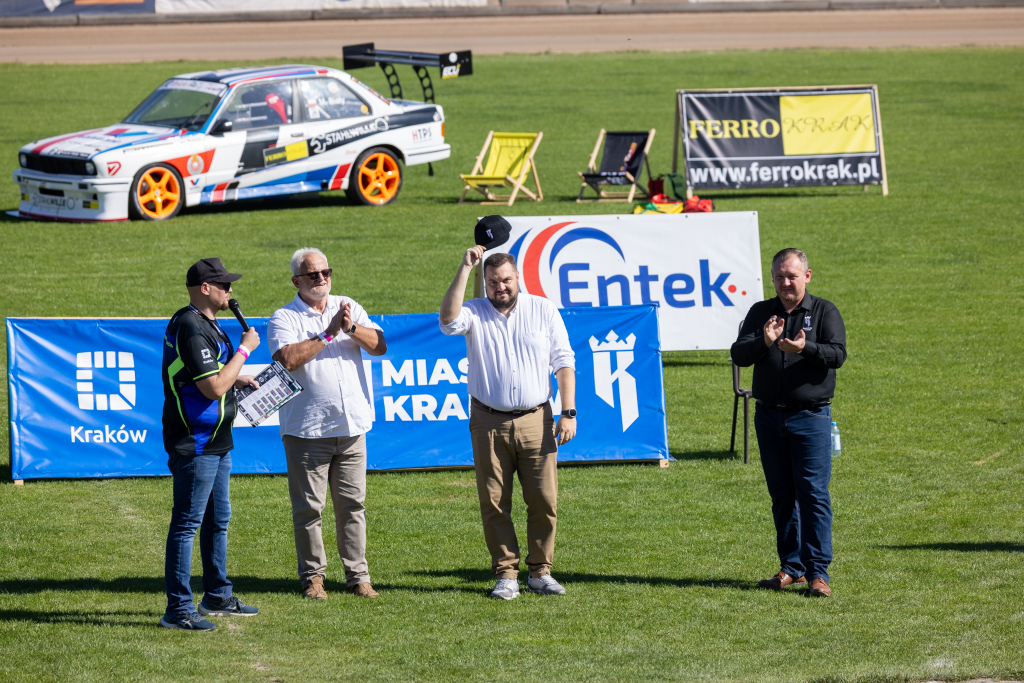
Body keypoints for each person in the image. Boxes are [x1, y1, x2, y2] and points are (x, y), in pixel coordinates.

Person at [439, 239, 577, 600]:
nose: (500, 288)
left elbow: (564, 360)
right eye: (492, 282)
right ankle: (506, 574)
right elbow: (447, 321)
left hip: (537, 418)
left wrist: (568, 411)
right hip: (488, 421)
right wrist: (465, 266)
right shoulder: (474, 311)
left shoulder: (543, 310)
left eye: (505, 280)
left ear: (518, 277)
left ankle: (540, 571)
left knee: (544, 500)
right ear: (484, 284)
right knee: (495, 501)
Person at [267, 247, 388, 600]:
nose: (321, 279)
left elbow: (380, 345)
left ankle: (358, 576)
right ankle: (313, 578)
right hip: (307, 430)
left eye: (325, 272)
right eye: (312, 274)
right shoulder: (284, 317)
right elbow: (287, 359)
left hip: (352, 427)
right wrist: (328, 333)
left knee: (353, 506)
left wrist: (350, 327)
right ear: (296, 281)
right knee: (309, 509)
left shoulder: (348, 305)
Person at [730, 248, 847, 598]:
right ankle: (791, 567)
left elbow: (838, 354)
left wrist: (806, 348)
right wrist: (764, 341)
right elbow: (738, 354)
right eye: (779, 276)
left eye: (792, 276)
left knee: (813, 495)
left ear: (807, 277)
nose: (785, 283)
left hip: (810, 418)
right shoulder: (761, 313)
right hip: (768, 416)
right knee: (782, 496)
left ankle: (818, 573)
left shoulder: (825, 311)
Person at [160, 257, 261, 631]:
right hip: (195, 443)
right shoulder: (191, 326)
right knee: (187, 524)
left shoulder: (206, 323)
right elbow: (211, 386)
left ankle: (217, 596)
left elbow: (214, 377)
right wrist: (245, 351)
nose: (231, 291)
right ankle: (178, 609)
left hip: (217, 440)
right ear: (205, 288)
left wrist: (238, 377)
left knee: (218, 520)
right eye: (224, 285)